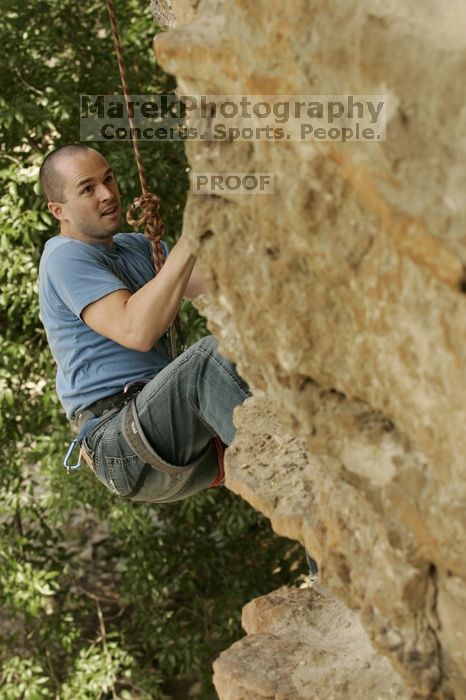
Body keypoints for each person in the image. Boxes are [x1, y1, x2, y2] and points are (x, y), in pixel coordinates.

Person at [38, 143, 252, 502]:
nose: (107, 194)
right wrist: (191, 234)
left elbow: (219, 278)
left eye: (108, 180)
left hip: (170, 433)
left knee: (258, 354)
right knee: (208, 360)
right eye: (87, 189)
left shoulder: (135, 246)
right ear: (58, 210)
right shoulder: (63, 257)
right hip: (121, 442)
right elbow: (136, 331)